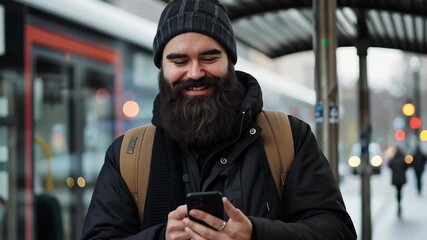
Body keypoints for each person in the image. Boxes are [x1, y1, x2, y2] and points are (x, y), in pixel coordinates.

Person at [81, 0, 357, 239]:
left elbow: (337, 230)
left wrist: (254, 233)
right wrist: (160, 236)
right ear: (162, 69)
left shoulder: (291, 137)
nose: (195, 72)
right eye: (179, 61)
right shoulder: (127, 155)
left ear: (230, 63)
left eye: (209, 57)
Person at [388, 147, 408, 218]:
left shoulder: (393, 159)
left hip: (396, 179)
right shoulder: (403, 158)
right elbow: (406, 166)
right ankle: (399, 202)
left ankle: (398, 202)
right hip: (401, 179)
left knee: (398, 191)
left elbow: (389, 165)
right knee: (400, 191)